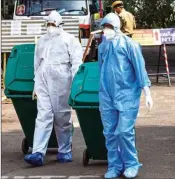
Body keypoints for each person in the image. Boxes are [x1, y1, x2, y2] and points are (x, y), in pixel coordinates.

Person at [24, 11, 83, 166]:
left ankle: (64, 150)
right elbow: (37, 63)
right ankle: (38, 152)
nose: (50, 27)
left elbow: (77, 62)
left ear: (60, 25)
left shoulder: (69, 40)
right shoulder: (42, 41)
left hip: (62, 79)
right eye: (48, 24)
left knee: (62, 115)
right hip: (43, 78)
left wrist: (76, 83)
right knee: (43, 115)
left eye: (53, 24)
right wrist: (36, 83)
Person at [98, 13, 153, 179]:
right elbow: (102, 70)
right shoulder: (103, 47)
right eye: (104, 27)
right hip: (107, 94)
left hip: (127, 94)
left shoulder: (130, 45)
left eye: (108, 27)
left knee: (123, 131)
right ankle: (114, 165)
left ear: (115, 27)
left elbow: (139, 68)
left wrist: (147, 91)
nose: (105, 31)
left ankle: (131, 163)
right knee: (109, 132)